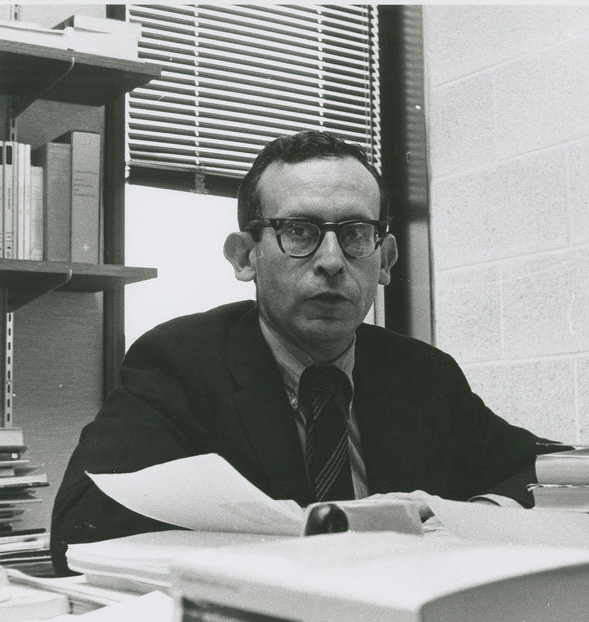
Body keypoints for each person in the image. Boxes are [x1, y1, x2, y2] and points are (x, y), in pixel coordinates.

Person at [50, 131, 560, 575]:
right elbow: (81, 525)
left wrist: (471, 513)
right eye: (299, 231)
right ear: (245, 257)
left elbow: (547, 471)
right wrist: (338, 528)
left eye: (356, 234)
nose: (332, 261)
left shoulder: (423, 373)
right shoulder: (181, 360)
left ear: (384, 261)